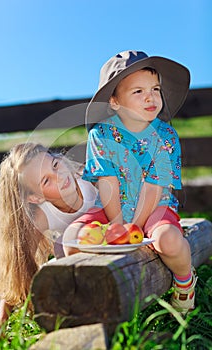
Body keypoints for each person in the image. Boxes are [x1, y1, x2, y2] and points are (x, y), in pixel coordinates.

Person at [82, 50, 197, 315]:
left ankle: (184, 281)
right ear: (114, 101)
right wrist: (118, 223)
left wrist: (136, 224)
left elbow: (155, 185)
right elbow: (107, 180)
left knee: (167, 239)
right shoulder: (102, 134)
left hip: (155, 204)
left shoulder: (165, 134)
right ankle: (81, 294)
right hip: (111, 206)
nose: (150, 97)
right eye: (138, 91)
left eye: (155, 89)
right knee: (73, 238)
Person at [0, 142, 98, 341]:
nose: (59, 176)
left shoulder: (89, 180)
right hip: (75, 259)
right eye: (46, 181)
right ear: (35, 197)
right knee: (28, 286)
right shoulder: (42, 216)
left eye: (54, 165)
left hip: (102, 247)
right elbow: (18, 267)